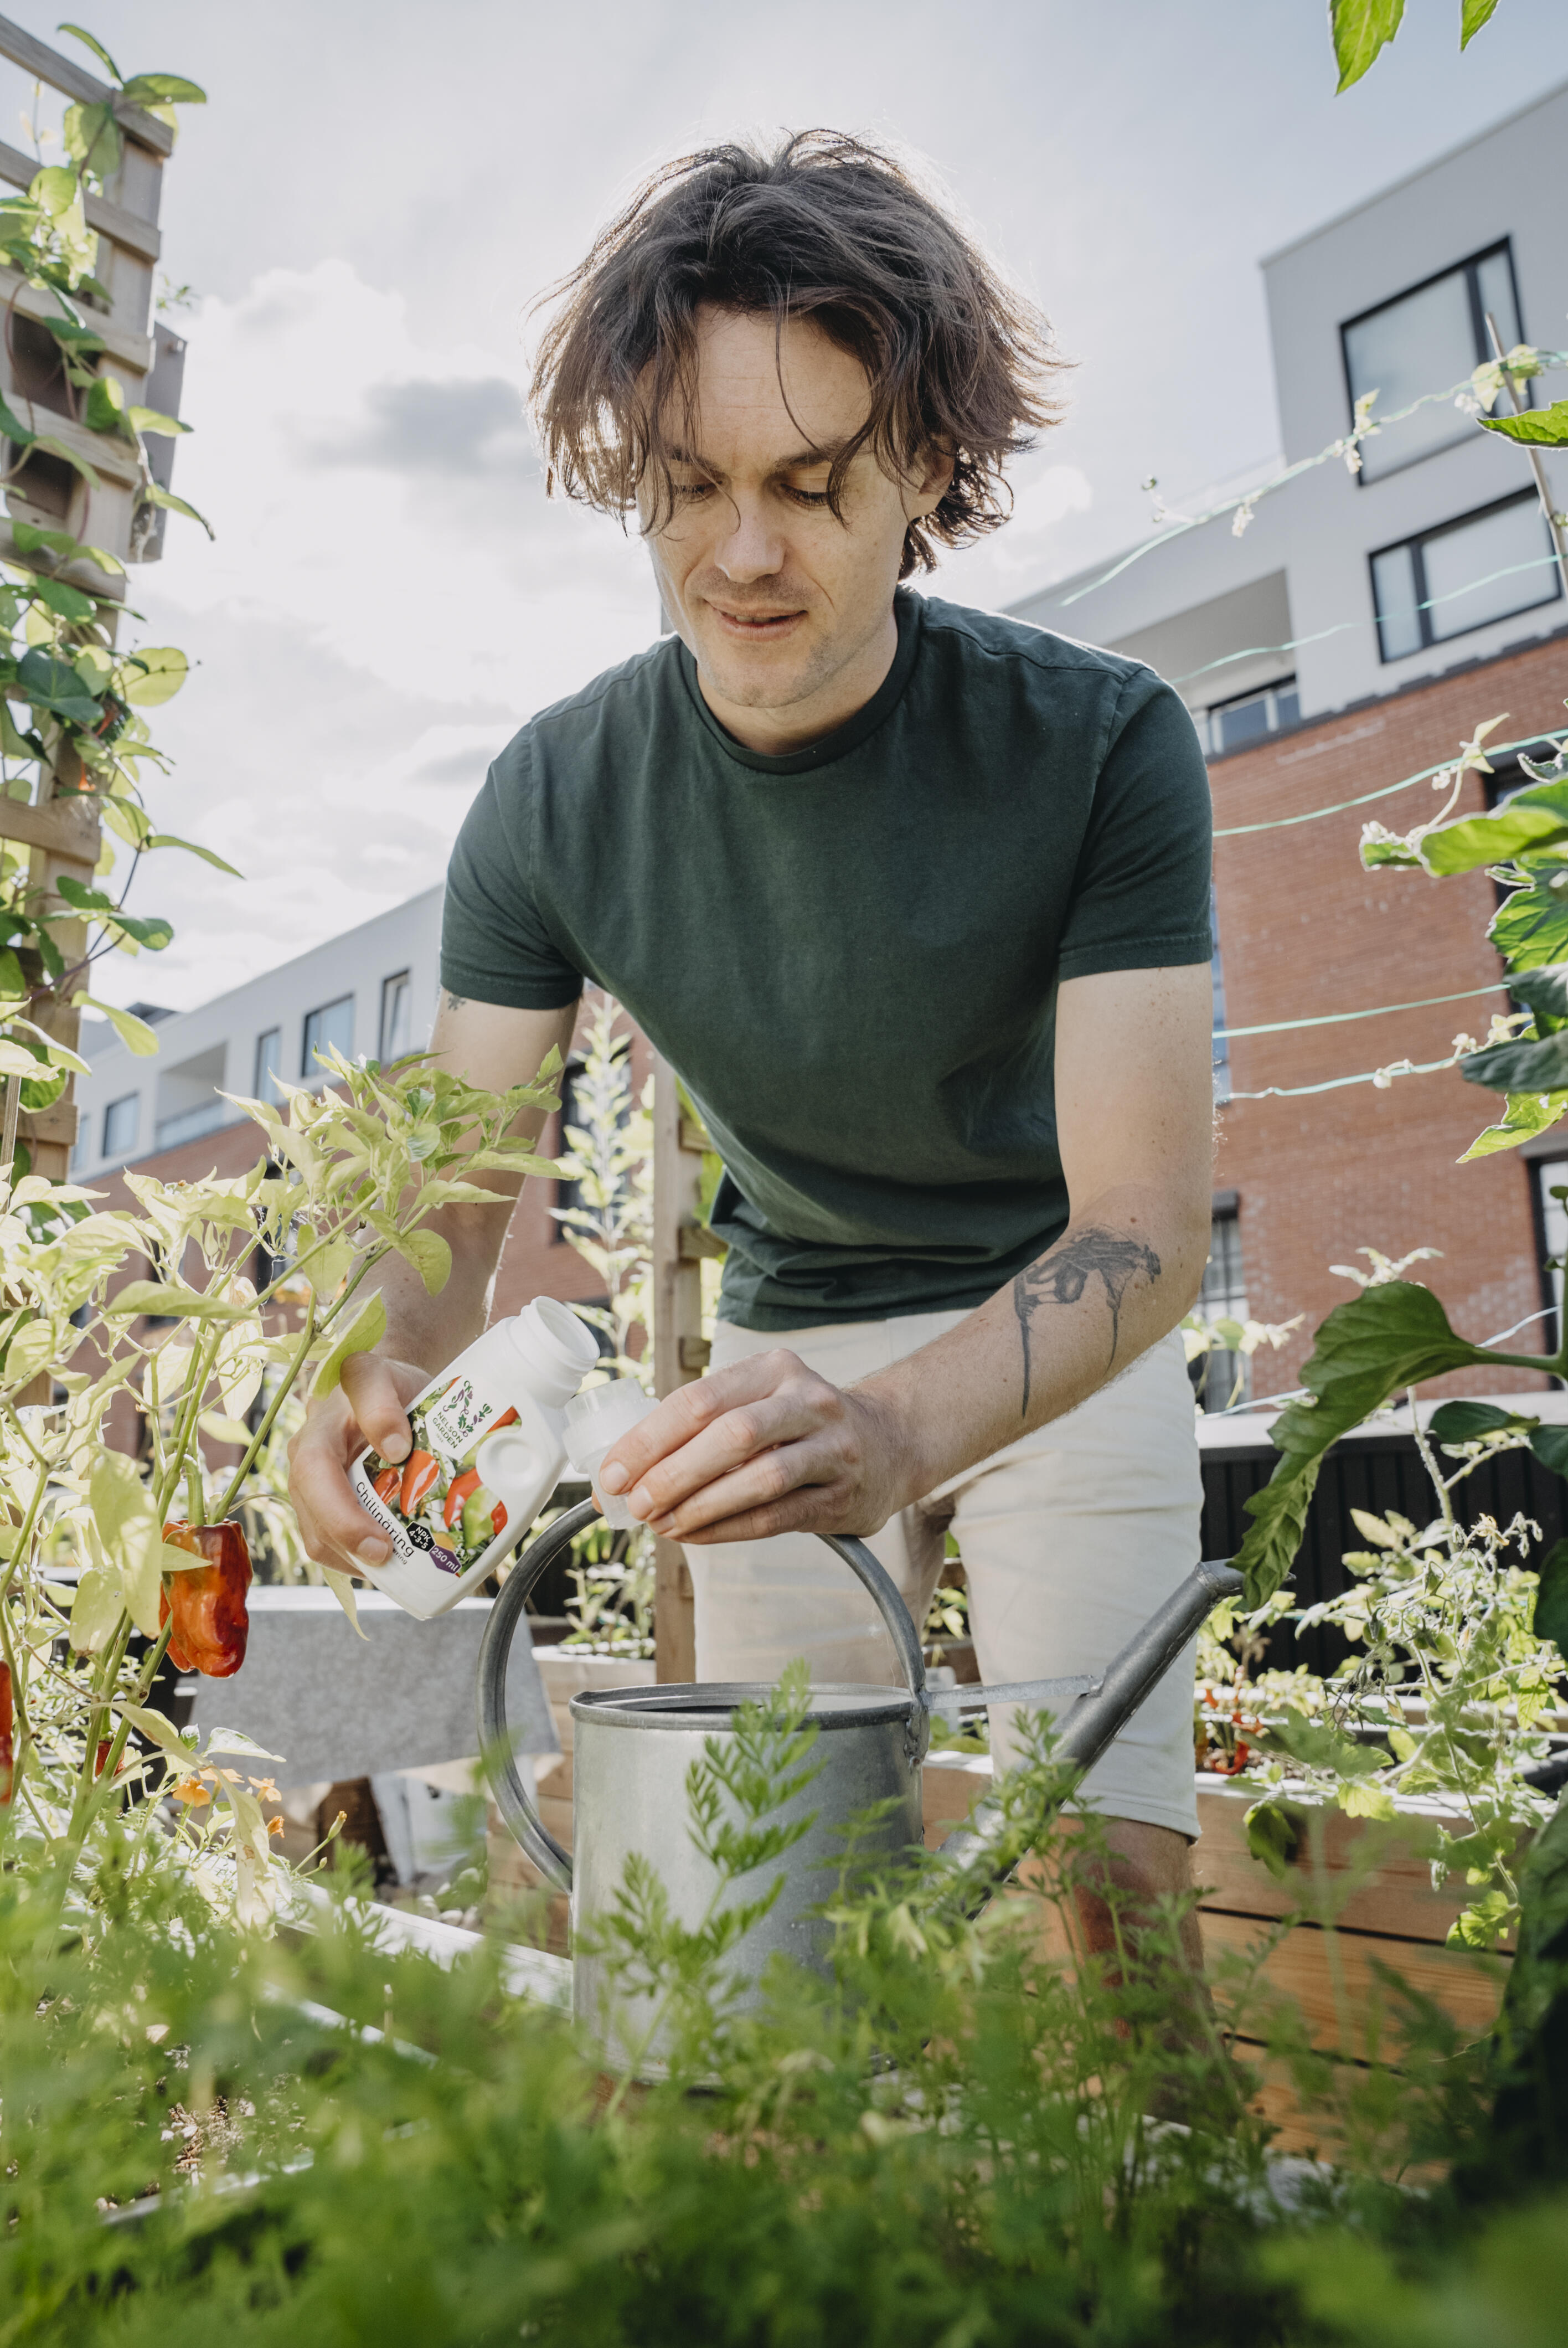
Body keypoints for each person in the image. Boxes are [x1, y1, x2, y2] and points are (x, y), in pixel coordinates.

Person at [288, 132, 1216, 1965]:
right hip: (781, 1351)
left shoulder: (1103, 744)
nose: (742, 554)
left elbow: (1145, 1231)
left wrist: (901, 1427)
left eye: (811, 482)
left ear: (926, 465)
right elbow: (453, 1214)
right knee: (761, 1944)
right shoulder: (555, 797)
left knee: (1110, 1935)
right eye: (690, 485)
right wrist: (373, 1359)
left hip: (1056, 1320)